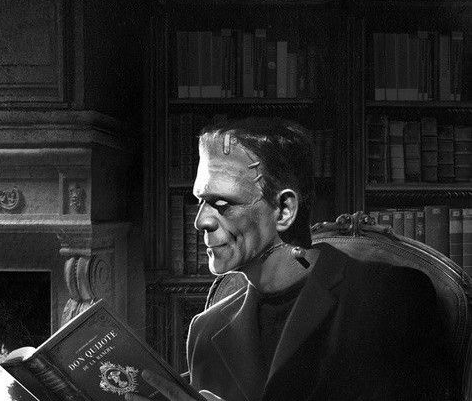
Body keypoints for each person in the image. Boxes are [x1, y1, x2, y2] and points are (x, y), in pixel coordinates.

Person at [128, 118, 450, 401]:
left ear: (284, 210)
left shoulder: (392, 297)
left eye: (222, 204)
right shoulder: (205, 332)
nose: (201, 221)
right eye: (200, 201)